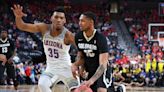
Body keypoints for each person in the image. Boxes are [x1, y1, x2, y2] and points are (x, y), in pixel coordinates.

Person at [11, 4, 77, 92]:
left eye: (61, 18)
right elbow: (22, 26)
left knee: (76, 89)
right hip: (51, 69)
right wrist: (18, 17)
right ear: (51, 18)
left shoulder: (68, 35)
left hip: (66, 68)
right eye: (56, 17)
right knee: (42, 84)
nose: (58, 20)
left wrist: (79, 65)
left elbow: (81, 50)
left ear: (64, 20)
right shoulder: (44, 28)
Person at [71, 11, 113, 92]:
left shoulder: (101, 38)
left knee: (101, 90)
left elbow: (103, 65)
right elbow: (81, 56)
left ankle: (119, 90)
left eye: (82, 21)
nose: (79, 23)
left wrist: (92, 80)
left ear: (91, 22)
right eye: (79, 20)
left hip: (102, 70)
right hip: (89, 68)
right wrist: (76, 65)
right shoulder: (78, 36)